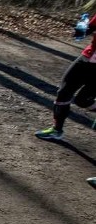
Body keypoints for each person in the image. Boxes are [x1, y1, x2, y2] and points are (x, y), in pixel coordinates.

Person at [34, 13, 96, 141]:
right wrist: (81, 30)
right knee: (63, 92)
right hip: (86, 59)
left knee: (82, 101)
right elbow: (89, 28)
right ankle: (57, 130)